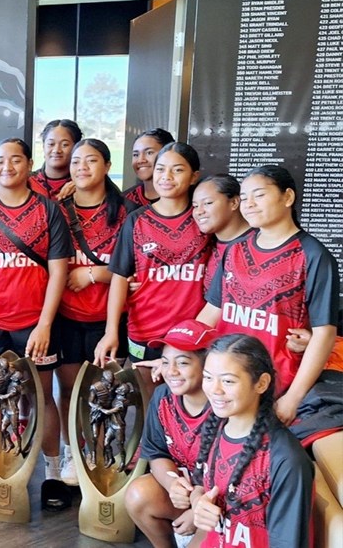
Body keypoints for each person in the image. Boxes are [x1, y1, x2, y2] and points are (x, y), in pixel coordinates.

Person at [0, 138, 73, 509]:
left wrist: (44, 324)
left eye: (15, 160)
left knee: (39, 398)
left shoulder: (48, 211)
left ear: (29, 164)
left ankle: (53, 473)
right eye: (0, 160)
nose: (6, 166)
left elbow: (59, 271)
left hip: (34, 324)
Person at [197, 165, 339, 425]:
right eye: (245, 196)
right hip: (223, 381)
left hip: (276, 384)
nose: (249, 204)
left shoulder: (313, 256)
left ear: (287, 197)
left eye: (259, 195)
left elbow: (324, 333)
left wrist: (293, 398)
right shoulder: (234, 250)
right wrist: (178, 356)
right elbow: (212, 311)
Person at [56, 138, 136, 485]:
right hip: (66, 315)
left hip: (110, 319)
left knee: (107, 393)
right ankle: (75, 449)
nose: (82, 168)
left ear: (106, 166)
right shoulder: (56, 210)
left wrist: (92, 274)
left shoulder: (125, 213)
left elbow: (136, 267)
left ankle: (105, 452)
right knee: (71, 389)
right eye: (76, 162)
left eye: (90, 161)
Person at [94, 142, 212, 371]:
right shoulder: (136, 220)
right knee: (149, 402)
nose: (166, 176)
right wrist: (110, 331)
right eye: (160, 169)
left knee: (190, 400)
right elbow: (119, 276)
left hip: (193, 332)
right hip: (145, 329)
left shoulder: (204, 220)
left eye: (177, 170)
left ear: (194, 176)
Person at [190, 334, 313, 547]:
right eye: (208, 377)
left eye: (228, 381)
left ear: (261, 383)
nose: (214, 390)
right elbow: (202, 488)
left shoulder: (286, 460)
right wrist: (197, 503)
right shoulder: (214, 427)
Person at [126, 319, 218, 548]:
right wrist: (171, 485)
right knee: (139, 494)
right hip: (188, 494)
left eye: (183, 362)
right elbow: (156, 453)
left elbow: (240, 478)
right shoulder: (162, 397)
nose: (171, 371)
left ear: (208, 365)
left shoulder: (225, 405)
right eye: (165, 362)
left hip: (222, 504)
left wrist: (198, 512)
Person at [192, 173, 251, 293]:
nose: (199, 211)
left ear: (234, 202)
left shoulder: (261, 243)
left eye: (208, 203)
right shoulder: (206, 244)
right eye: (195, 205)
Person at [30, 119, 83, 200]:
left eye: (64, 145)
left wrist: (82, 187)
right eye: (51, 144)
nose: (56, 150)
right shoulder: (26, 182)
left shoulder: (83, 183)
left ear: (76, 148)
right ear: (43, 146)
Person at [123, 128, 175, 207]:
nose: (140, 160)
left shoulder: (192, 200)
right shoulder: (125, 201)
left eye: (149, 153)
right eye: (136, 155)